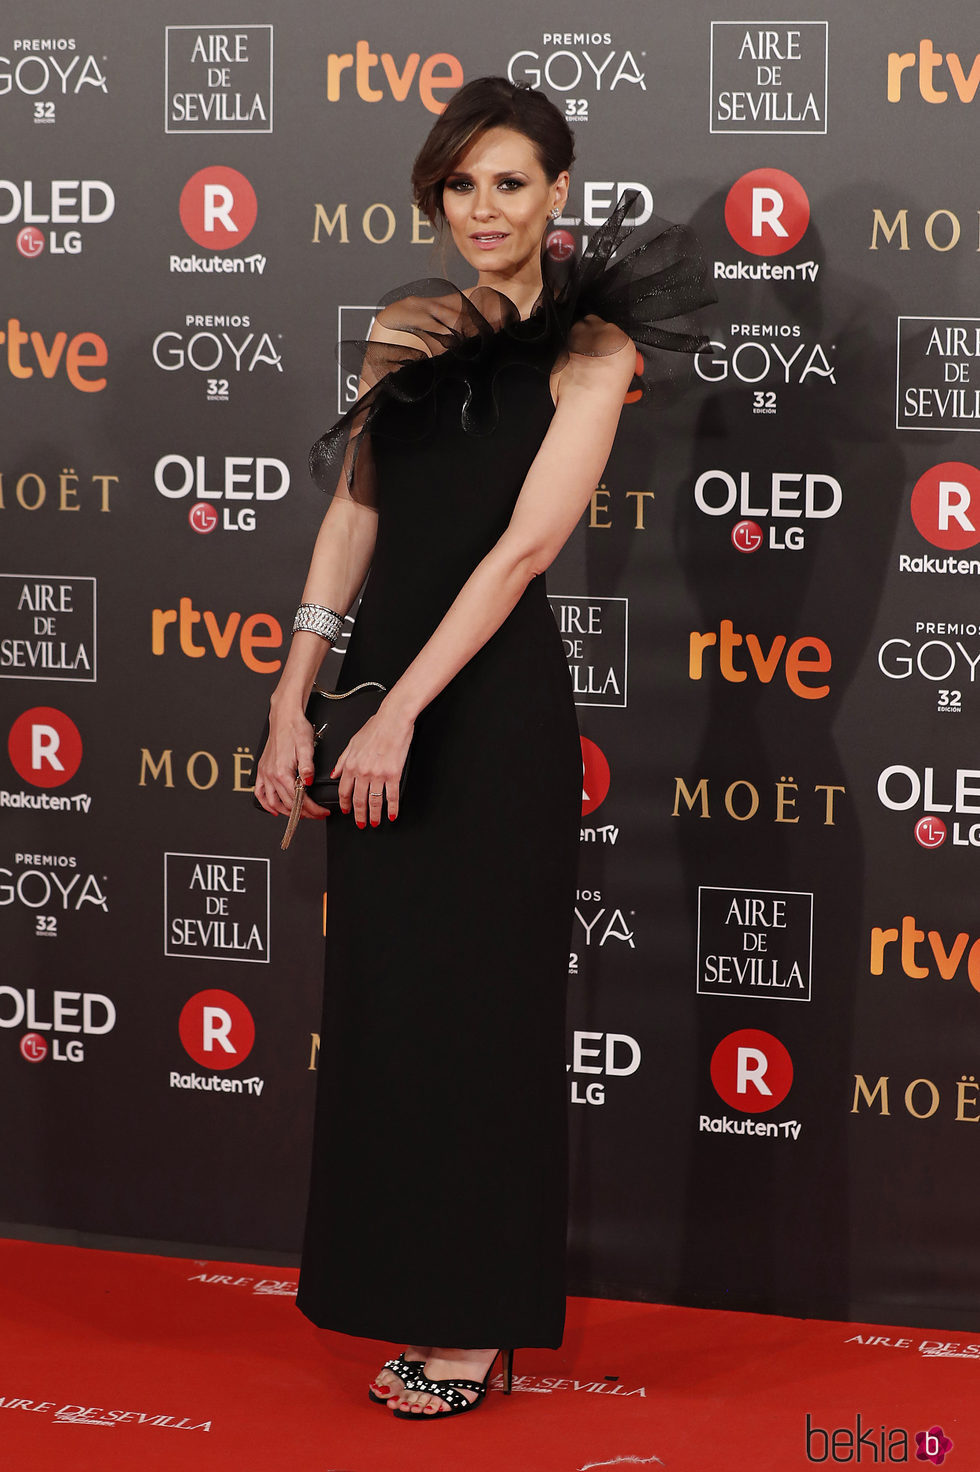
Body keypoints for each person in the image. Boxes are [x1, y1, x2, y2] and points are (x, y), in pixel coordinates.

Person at [253, 76, 711, 1422]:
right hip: (376, 685)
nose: (485, 210)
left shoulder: (597, 349)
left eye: (511, 182)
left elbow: (523, 549)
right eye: (462, 186)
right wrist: (299, 694)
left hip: (489, 709)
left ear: (558, 191)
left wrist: (403, 713)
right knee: (392, 1021)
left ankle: (476, 1332)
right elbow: (356, 515)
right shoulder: (405, 324)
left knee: (483, 1023)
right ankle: (405, 1293)